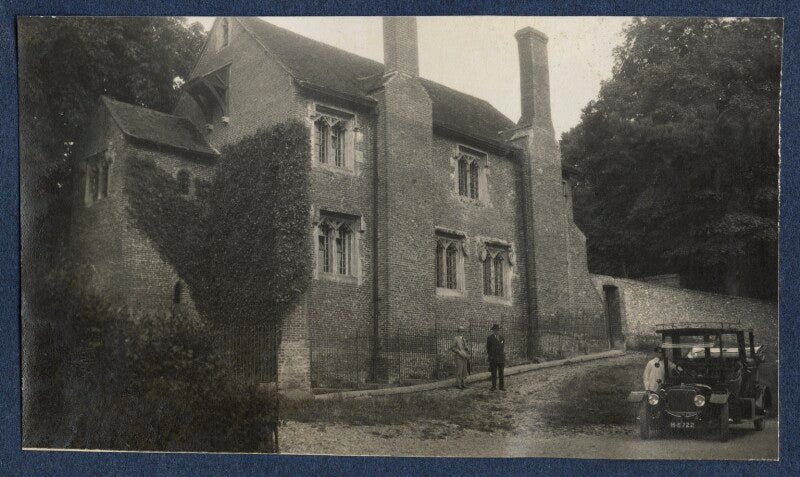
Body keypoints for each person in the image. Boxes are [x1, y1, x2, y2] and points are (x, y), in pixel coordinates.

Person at [486, 323, 505, 391]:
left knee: (501, 373)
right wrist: (490, 357)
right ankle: (493, 386)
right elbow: (488, 349)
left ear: (499, 330)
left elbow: (502, 348)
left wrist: (503, 356)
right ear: (493, 330)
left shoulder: (502, 338)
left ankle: (501, 387)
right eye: (495, 330)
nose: (496, 331)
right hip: (493, 359)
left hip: (501, 358)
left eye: (497, 330)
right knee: (493, 373)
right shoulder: (490, 338)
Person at [451, 325, 470, 389]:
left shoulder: (464, 339)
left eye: (463, 331)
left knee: (464, 370)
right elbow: (452, 348)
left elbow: (465, 347)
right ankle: (459, 384)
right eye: (460, 330)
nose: (462, 332)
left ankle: (463, 383)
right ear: (458, 331)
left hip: (464, 356)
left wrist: (466, 349)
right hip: (458, 357)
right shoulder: (456, 338)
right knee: (459, 370)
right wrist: (458, 352)